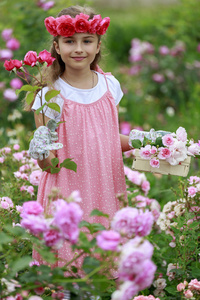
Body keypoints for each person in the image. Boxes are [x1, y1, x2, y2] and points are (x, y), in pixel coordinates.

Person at [27, 4, 131, 298]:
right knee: (66, 271)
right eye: (70, 41)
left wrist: (141, 142)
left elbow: (107, 139)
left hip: (105, 187)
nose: (79, 49)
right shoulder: (49, 93)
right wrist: (40, 152)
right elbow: (48, 165)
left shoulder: (111, 86)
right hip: (67, 189)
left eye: (87, 41)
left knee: (101, 271)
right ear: (56, 46)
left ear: (98, 45)